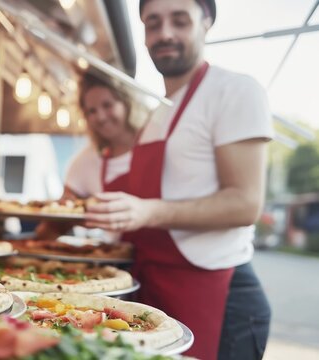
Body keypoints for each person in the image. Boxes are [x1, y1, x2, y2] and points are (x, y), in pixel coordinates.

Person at [85, 0, 273, 359]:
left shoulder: (235, 90)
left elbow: (246, 203)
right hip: (156, 292)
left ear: (206, 22)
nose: (164, 33)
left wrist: (147, 212)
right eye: (152, 23)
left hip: (217, 296)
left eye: (179, 20)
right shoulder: (156, 114)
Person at [36, 73, 140, 239]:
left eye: (107, 105)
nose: (100, 117)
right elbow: (58, 221)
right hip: (118, 256)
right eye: (91, 111)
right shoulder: (84, 161)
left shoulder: (152, 144)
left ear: (126, 104)